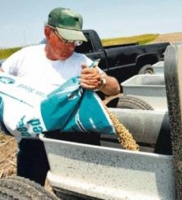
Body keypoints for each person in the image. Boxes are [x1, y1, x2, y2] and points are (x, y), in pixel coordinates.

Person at [0, 7, 120, 186]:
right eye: (66, 40)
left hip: (72, 139)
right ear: (48, 32)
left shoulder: (82, 62)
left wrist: (101, 81)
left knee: (79, 188)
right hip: (34, 140)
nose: (71, 47)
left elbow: (115, 88)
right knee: (27, 188)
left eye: (75, 42)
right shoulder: (25, 57)